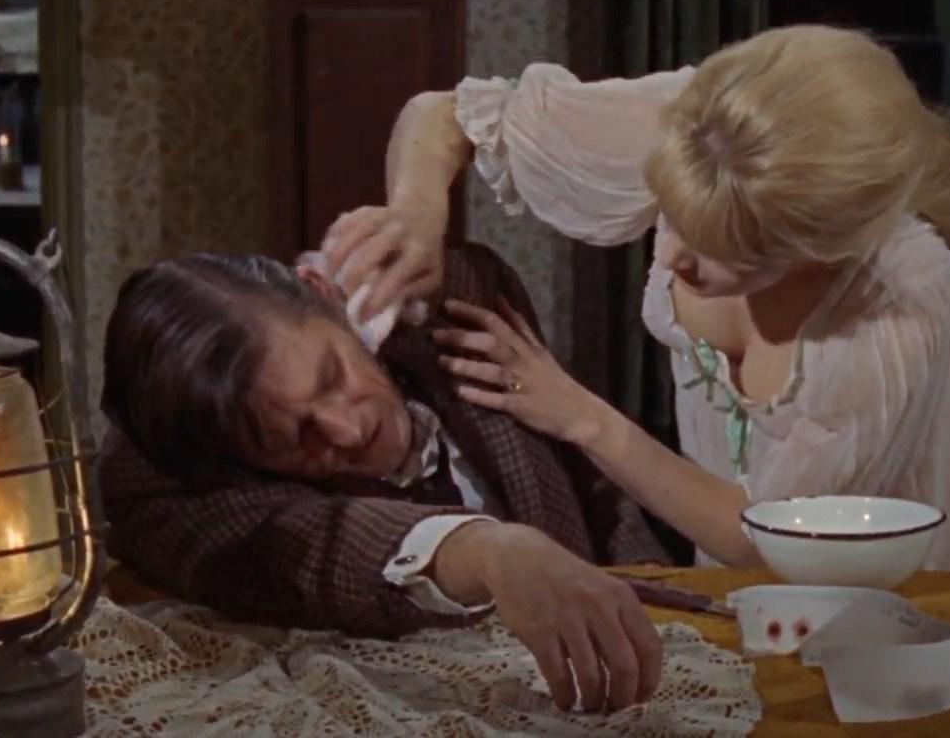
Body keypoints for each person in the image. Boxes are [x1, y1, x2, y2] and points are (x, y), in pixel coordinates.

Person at [322, 24, 950, 574]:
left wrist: (579, 415)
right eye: (672, 213)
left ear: (817, 251)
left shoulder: (895, 299)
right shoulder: (709, 127)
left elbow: (768, 542)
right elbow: (441, 115)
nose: (668, 258)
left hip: (889, 565)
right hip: (733, 555)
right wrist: (417, 213)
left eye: (720, 248)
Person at [99, 241, 670, 714]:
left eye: (331, 376)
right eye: (298, 438)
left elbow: (589, 486)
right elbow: (327, 547)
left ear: (323, 294)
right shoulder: (177, 483)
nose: (349, 431)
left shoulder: (456, 306)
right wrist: (490, 552)